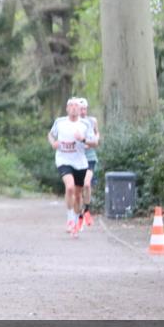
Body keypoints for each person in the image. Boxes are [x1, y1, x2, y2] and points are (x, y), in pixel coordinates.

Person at [47, 97, 97, 237]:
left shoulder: (85, 124)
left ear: (80, 109)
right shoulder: (60, 122)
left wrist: (83, 139)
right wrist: (53, 143)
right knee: (69, 187)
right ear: (67, 109)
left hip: (80, 162)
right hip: (63, 159)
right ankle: (70, 219)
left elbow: (94, 143)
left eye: (76, 106)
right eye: (71, 106)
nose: (74, 108)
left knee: (78, 195)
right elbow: (50, 135)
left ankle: (75, 222)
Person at [78, 97, 101, 226]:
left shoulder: (92, 121)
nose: (83, 111)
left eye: (85, 109)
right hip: (77, 159)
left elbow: (97, 134)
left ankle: (87, 210)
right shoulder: (74, 124)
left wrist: (95, 139)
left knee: (87, 184)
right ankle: (79, 214)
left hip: (90, 158)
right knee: (79, 188)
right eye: (81, 109)